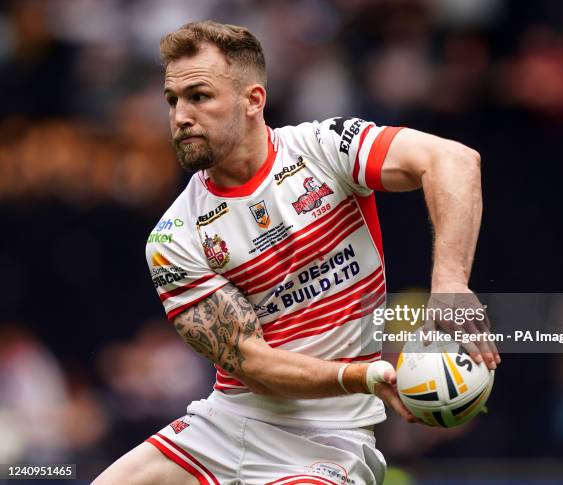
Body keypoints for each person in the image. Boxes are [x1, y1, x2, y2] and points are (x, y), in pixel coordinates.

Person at [93, 20, 499, 485]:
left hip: (331, 438)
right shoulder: (174, 237)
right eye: (173, 99)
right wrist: (364, 377)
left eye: (199, 96)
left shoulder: (323, 149)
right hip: (224, 427)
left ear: (253, 100)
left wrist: (449, 284)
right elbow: (253, 364)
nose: (180, 115)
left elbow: (453, 160)